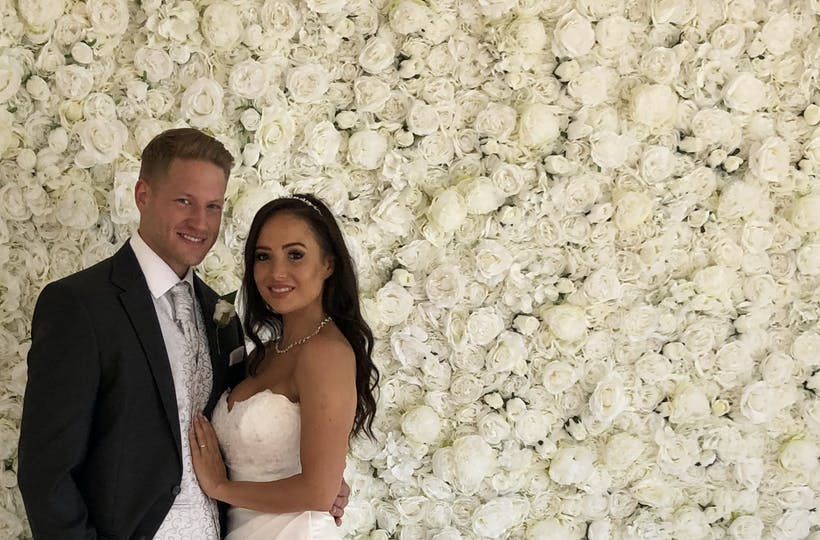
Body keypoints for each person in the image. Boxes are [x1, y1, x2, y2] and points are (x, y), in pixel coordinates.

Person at [17, 129, 349, 539]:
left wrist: (314, 486)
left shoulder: (220, 316)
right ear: (142, 194)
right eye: (184, 202)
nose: (200, 222)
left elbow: (237, 437)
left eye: (213, 206)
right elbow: (47, 475)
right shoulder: (80, 305)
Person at [188, 194, 379, 539]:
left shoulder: (326, 353)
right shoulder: (265, 354)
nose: (277, 272)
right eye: (264, 257)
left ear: (328, 264)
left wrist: (219, 487)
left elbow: (318, 493)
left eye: (295, 255)